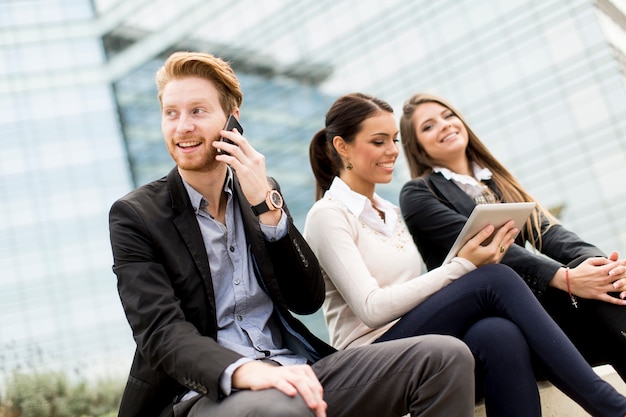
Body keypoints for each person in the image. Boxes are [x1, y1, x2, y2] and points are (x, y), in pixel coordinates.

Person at [108, 52, 477, 417]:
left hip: (296, 368)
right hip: (205, 394)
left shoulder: (261, 192)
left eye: (197, 111)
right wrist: (245, 371)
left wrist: (268, 211)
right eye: (171, 113)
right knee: (279, 408)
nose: (182, 126)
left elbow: (306, 299)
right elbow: (161, 333)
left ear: (232, 121)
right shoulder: (135, 217)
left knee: (444, 357)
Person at [304, 92, 626, 417]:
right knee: (494, 278)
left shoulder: (388, 211)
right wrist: (461, 267)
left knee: (498, 333)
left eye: (394, 140)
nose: (392, 151)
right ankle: (612, 407)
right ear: (342, 147)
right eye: (378, 141)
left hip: (416, 335)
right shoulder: (328, 215)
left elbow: (552, 234)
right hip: (369, 354)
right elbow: (372, 309)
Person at [398, 92, 626, 382]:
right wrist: (565, 278)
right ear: (416, 147)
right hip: (494, 323)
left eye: (448, 116)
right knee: (592, 289)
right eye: (428, 126)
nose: (444, 125)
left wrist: (607, 268)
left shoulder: (497, 181)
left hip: (544, 312)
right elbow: (490, 245)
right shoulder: (419, 193)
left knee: (596, 270)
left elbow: (551, 232)